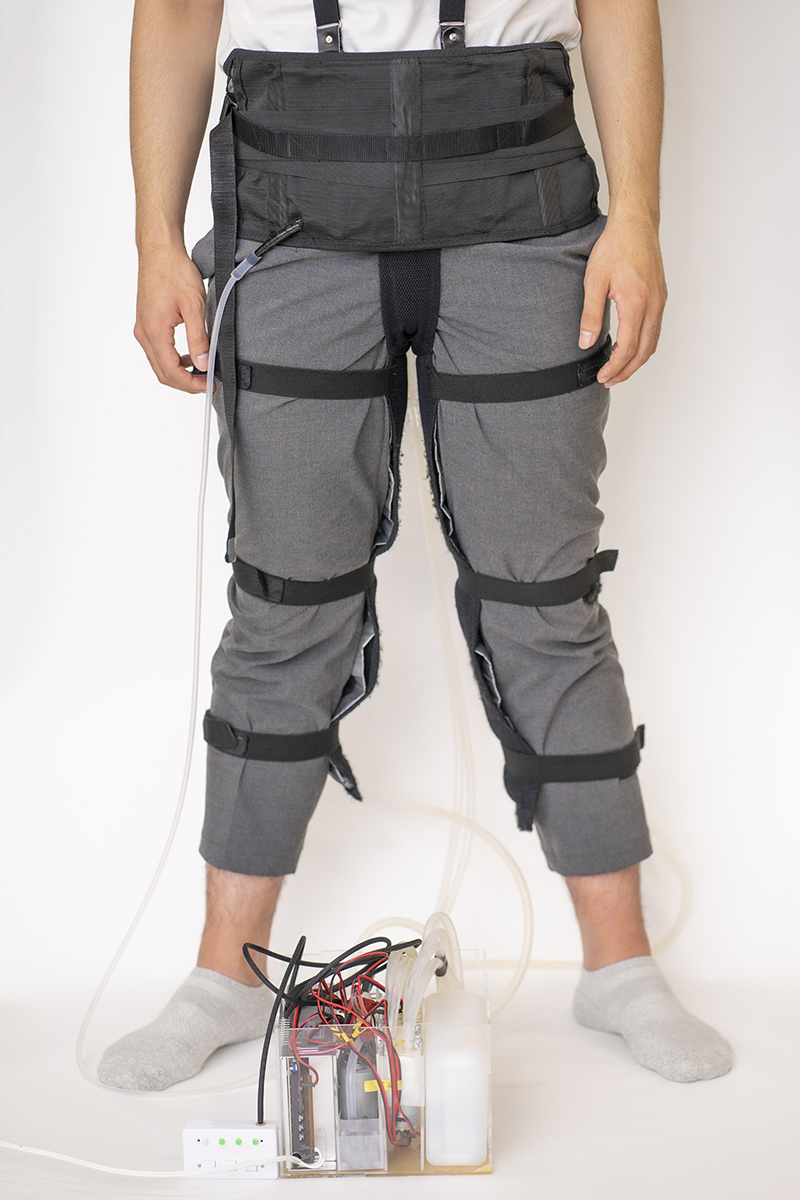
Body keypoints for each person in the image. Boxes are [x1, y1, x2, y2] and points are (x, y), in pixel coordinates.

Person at [99, 0, 731, 1092]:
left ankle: (619, 968)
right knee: (284, 601)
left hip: (520, 204)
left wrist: (636, 219)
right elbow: (177, 12)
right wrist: (157, 240)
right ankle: (222, 975)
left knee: (545, 597)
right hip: (294, 213)